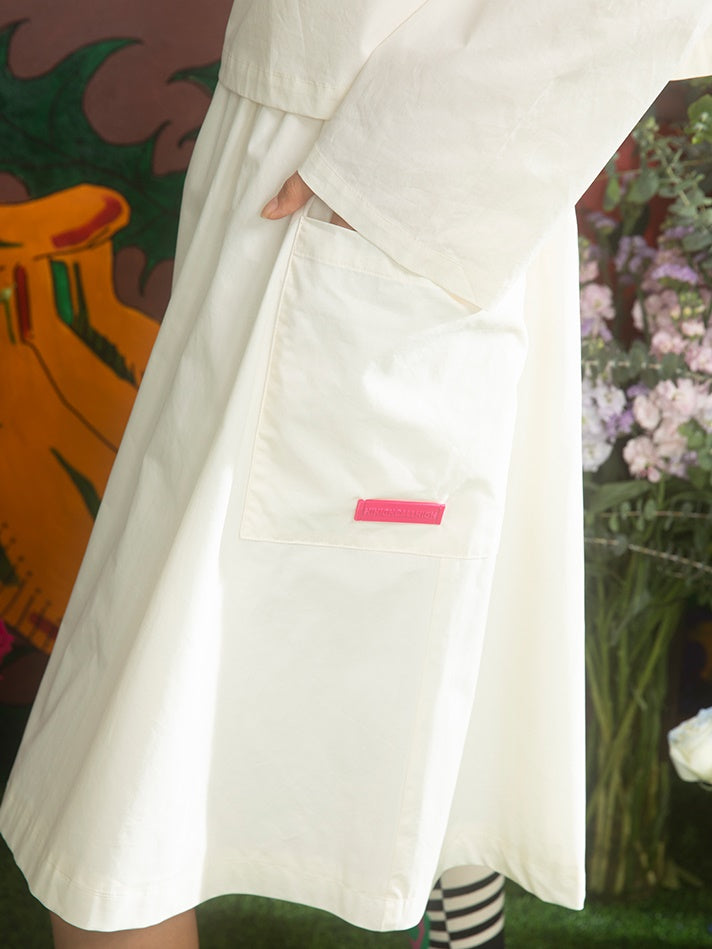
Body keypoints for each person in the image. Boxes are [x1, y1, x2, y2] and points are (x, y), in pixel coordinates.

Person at [2, 2, 711, 948]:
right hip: (330, 143)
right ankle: (465, 908)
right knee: (397, 671)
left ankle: (462, 903)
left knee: (116, 807)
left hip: (389, 155)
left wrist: (391, 171)